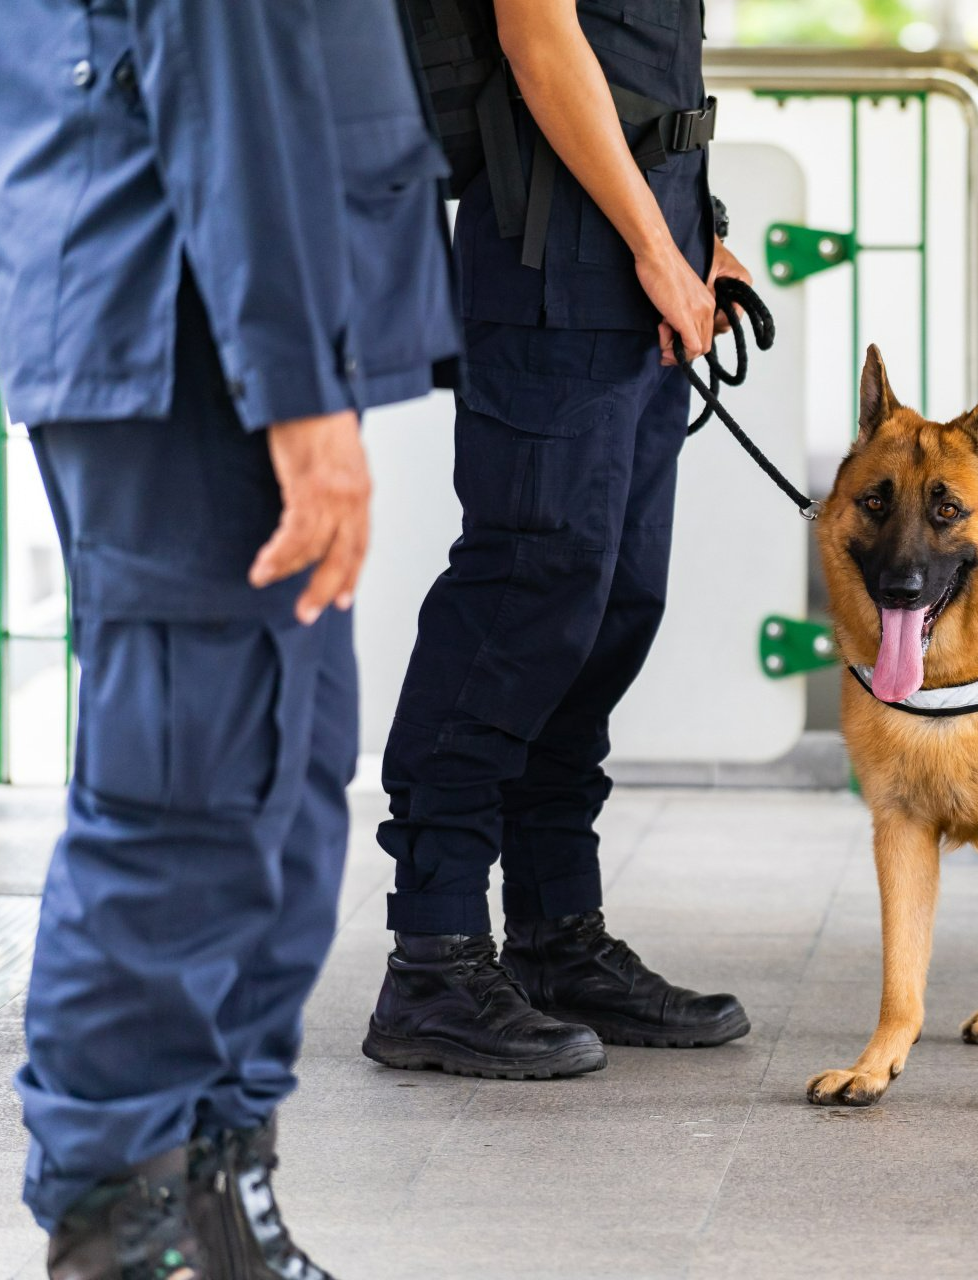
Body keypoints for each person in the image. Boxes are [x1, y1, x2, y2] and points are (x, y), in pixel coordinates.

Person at [0, 0, 459, 1274]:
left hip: (223, 307)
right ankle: (116, 1219)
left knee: (286, 793)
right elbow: (224, 42)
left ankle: (214, 1189)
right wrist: (297, 388)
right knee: (188, 793)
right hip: (187, 316)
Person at [363, 0, 753, 1079]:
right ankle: (433, 954)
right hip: (555, 260)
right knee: (523, 599)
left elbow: (642, 58)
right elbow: (540, 41)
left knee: (611, 606)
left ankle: (555, 933)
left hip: (638, 249)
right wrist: (652, 245)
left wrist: (693, 235)